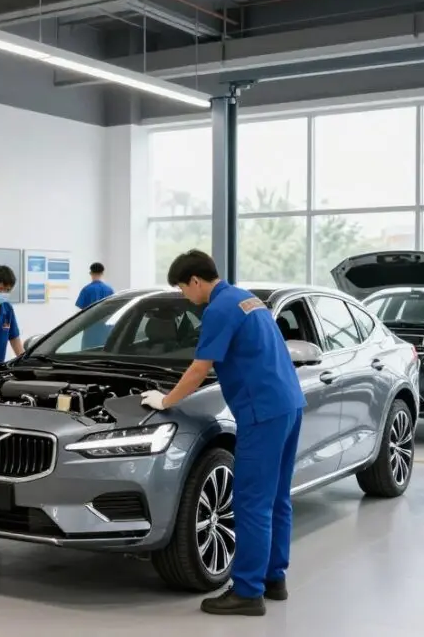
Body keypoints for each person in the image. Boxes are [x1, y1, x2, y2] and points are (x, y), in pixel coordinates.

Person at [138, 250, 305, 617]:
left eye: (183, 288)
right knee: (277, 497)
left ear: (196, 281)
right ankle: (273, 578)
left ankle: (247, 591)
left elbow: (200, 368)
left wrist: (166, 400)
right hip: (289, 404)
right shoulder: (246, 298)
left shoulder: (218, 309)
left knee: (250, 501)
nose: (184, 296)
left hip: (262, 411)